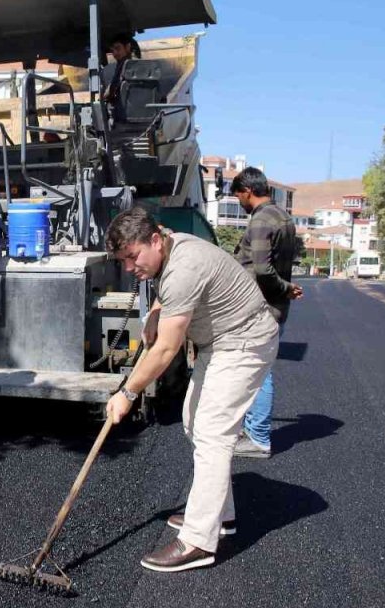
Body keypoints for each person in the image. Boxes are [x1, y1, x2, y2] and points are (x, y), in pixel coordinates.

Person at [104, 206, 278, 572]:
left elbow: (166, 349)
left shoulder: (184, 266)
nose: (129, 268)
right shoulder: (167, 245)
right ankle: (221, 516)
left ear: (155, 240)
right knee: (193, 421)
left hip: (245, 341)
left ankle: (199, 541)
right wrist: (154, 312)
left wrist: (127, 393)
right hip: (220, 341)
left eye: (132, 257)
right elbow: (165, 286)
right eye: (123, 261)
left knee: (213, 431)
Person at [229, 167, 303, 458]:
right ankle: (253, 431)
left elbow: (262, 269)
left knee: (258, 371)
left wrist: (284, 288)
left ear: (247, 191)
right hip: (275, 306)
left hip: (260, 307)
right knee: (258, 368)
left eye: (238, 196)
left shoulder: (261, 221)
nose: (239, 202)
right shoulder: (284, 217)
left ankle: (258, 437)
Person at [103, 32, 141, 124]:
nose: (115, 53)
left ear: (127, 47)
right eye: (112, 51)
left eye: (117, 48)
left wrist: (103, 97)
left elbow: (110, 92)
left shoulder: (124, 65)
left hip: (125, 115)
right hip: (147, 116)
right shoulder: (146, 66)